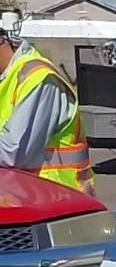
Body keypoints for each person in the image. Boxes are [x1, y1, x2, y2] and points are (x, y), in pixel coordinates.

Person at [0, 15, 96, 192]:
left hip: (59, 201)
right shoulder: (6, 80)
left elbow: (12, 153)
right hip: (23, 198)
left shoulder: (37, 77)